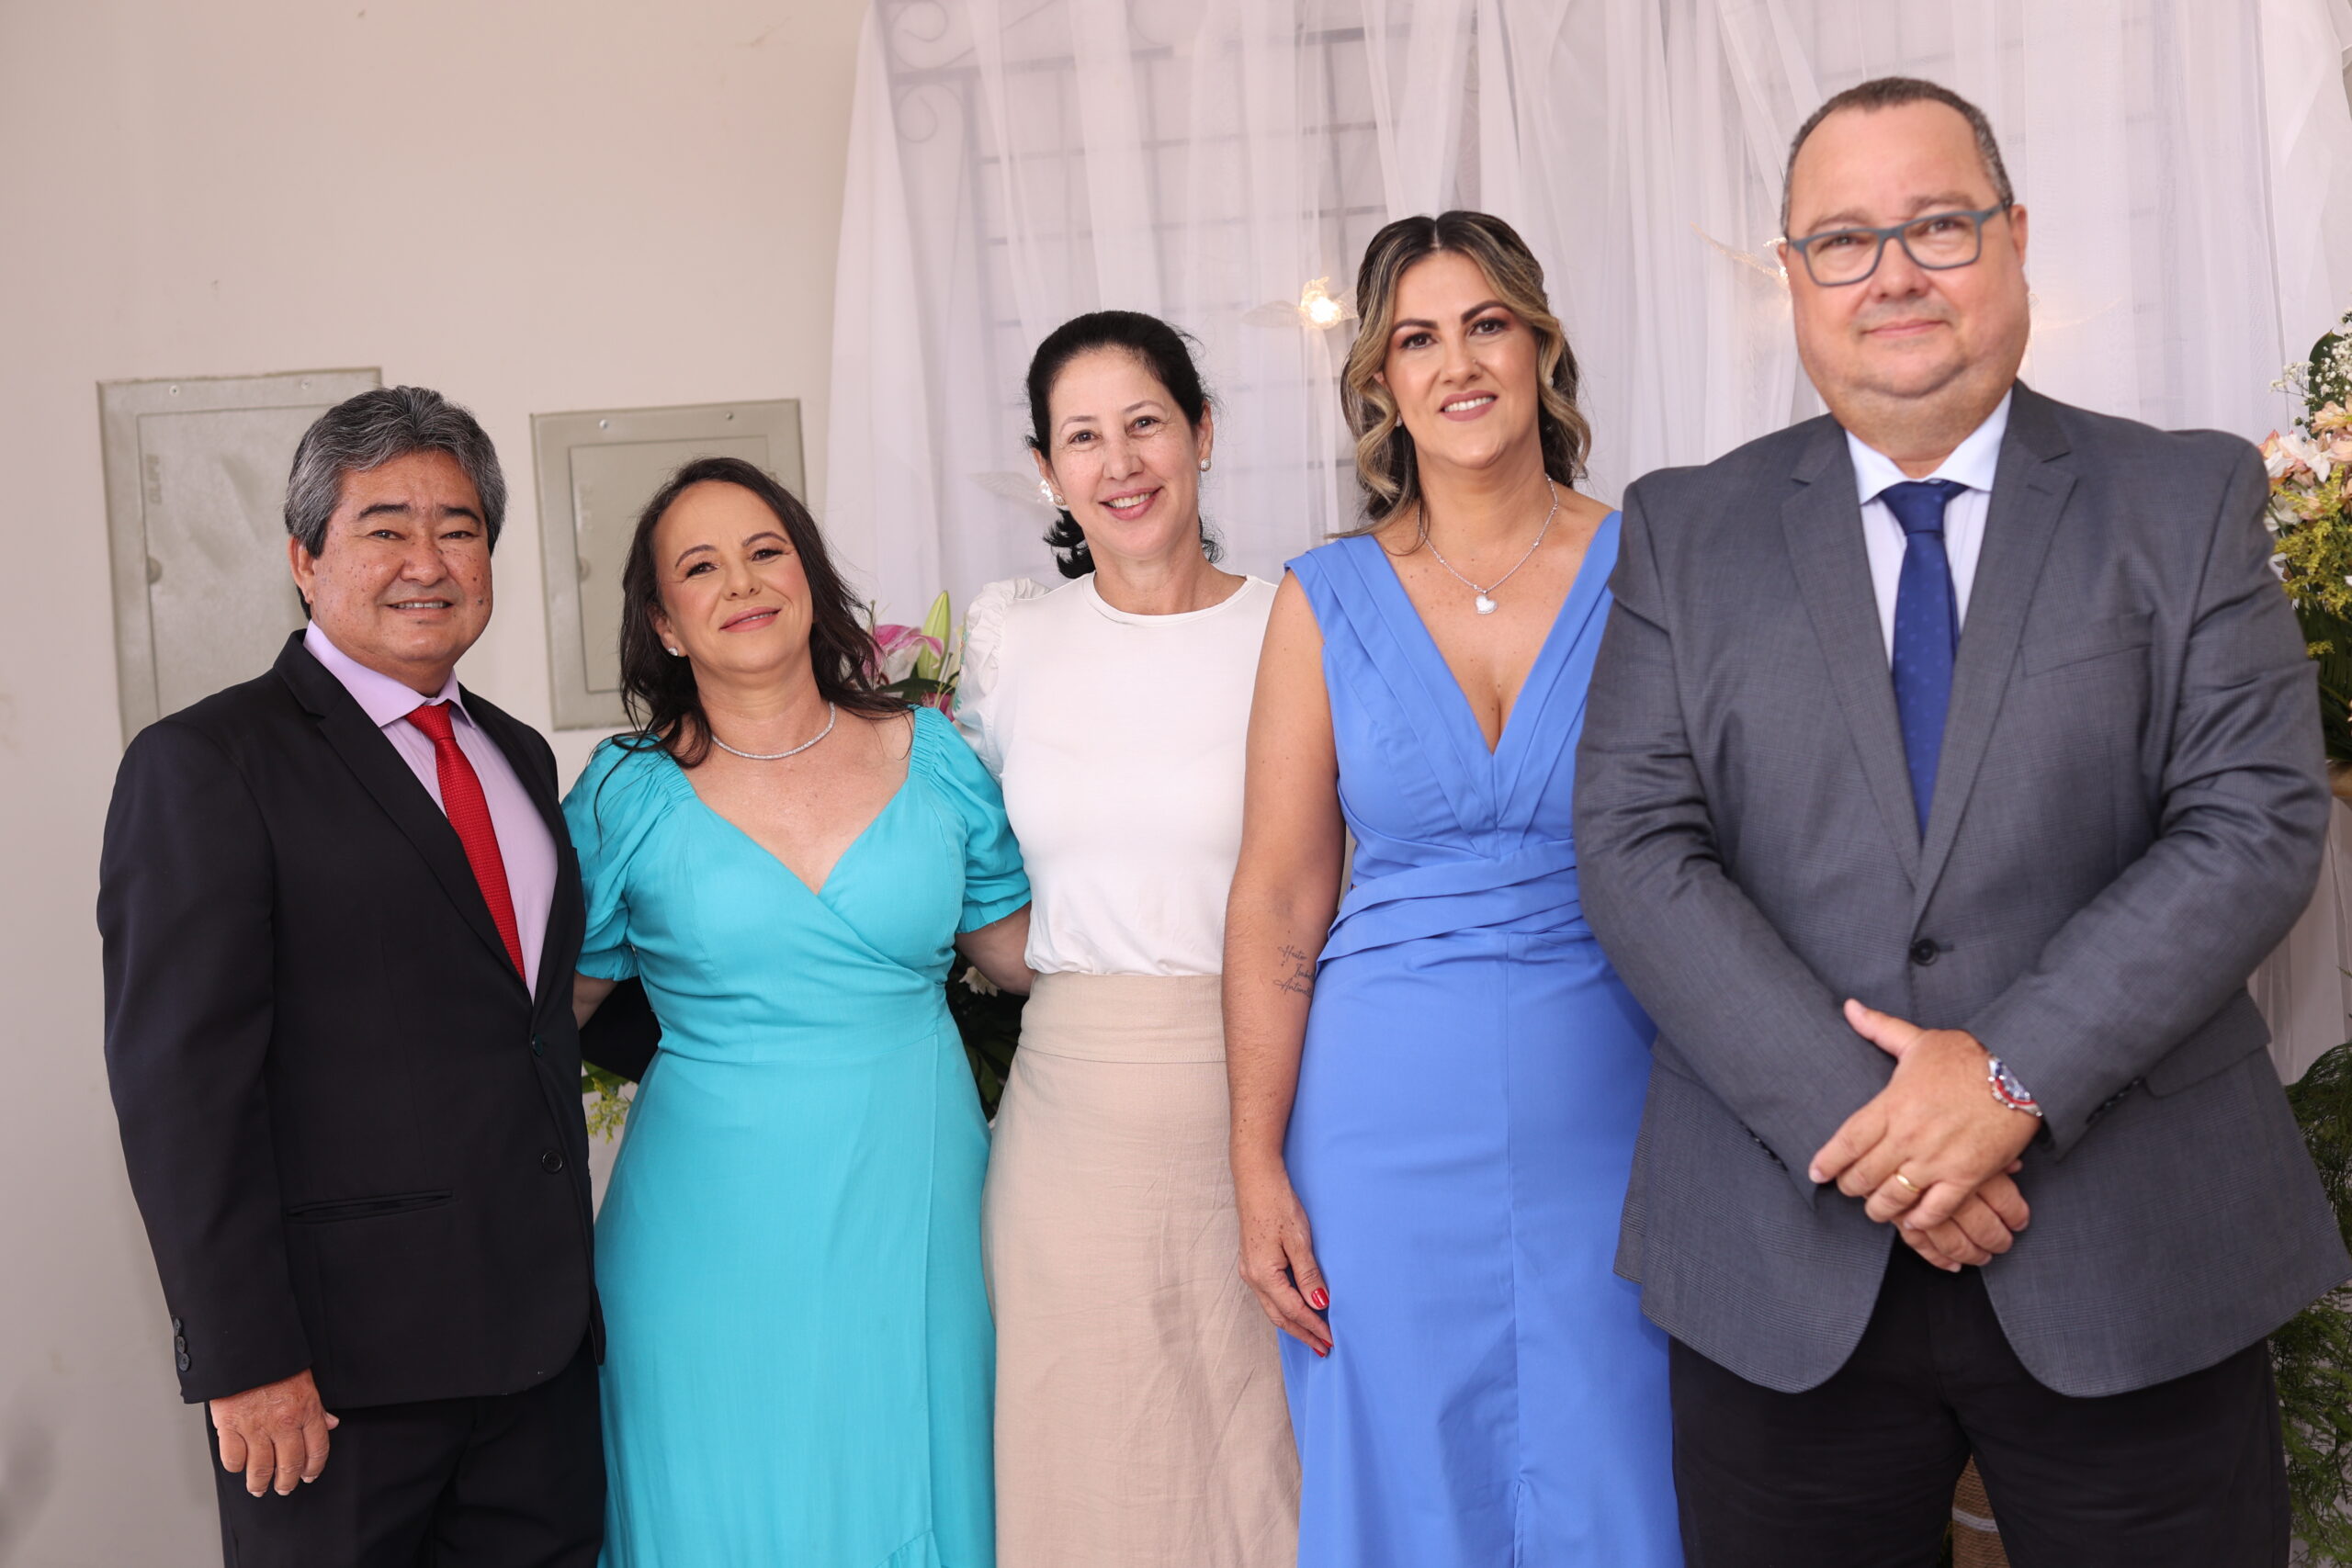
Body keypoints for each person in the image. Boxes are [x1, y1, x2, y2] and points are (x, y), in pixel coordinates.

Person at [1574, 76, 2352, 1568]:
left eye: (1938, 224)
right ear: (1792, 275)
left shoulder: (2182, 496)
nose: (1895, 274)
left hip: (2132, 1246)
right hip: (1781, 1252)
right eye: (1844, 240)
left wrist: (2007, 1078)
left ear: (2015, 237)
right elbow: (1634, 842)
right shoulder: (1684, 529)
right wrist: (1877, 1130)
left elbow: (2252, 819)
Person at [98, 385, 647, 1566]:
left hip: (542, 1365)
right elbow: (181, 1091)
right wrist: (247, 1360)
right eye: (384, 528)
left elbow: (529, 1019)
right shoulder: (207, 763)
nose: (427, 562)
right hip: (336, 1383)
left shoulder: (516, 754)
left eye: (459, 529)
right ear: (305, 559)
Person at [1225, 211, 1682, 1567]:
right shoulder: (1322, 598)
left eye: (1486, 325)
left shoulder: (1659, 566)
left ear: (1540, 345)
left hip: (1618, 1103)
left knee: (1624, 1466)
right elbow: (1279, 898)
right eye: (1417, 339)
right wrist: (1254, 1162)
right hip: (1377, 1126)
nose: (1458, 363)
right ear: (1380, 380)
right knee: (1406, 1472)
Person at [566, 455, 1032, 1567]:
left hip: (913, 1205)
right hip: (701, 1238)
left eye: (764, 551)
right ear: (663, 623)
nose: (741, 582)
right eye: (700, 567)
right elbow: (540, 1018)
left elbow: (1031, 961)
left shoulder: (933, 755)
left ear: (808, 578)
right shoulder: (623, 791)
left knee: (916, 1471)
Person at [956, 310, 1298, 1568]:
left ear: (1203, 432)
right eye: (1083, 436)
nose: (1121, 462)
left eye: (1145, 422)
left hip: (1273, 1099)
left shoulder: (1300, 626)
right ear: (1046, 469)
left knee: (1267, 1465)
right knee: (1090, 1467)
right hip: (1072, 1125)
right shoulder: (1013, 640)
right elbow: (960, 871)